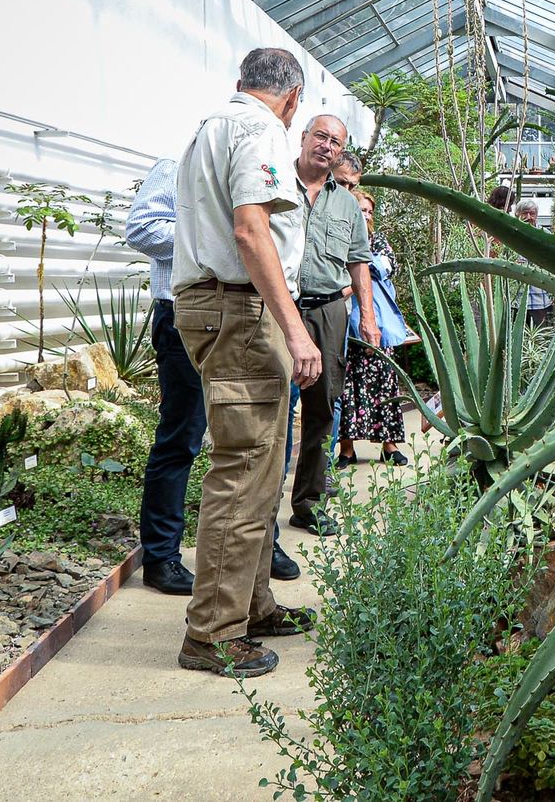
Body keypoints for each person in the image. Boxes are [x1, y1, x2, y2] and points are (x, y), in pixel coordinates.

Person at [170, 48, 321, 679]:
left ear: (243, 84)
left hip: (220, 306)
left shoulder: (210, 127)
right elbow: (251, 231)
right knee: (245, 466)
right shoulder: (259, 129)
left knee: (260, 464)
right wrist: (294, 327)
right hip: (239, 310)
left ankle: (250, 605)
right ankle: (212, 631)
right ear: (292, 101)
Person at [127, 160, 299, 595]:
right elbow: (141, 228)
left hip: (245, 318)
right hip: (185, 316)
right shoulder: (176, 168)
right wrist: (211, 240)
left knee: (249, 442)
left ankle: (261, 548)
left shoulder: (250, 180)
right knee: (181, 437)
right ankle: (162, 555)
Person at [289, 115, 379, 537]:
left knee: (323, 407)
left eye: (335, 142)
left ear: (341, 152)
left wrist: (369, 319)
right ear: (303, 138)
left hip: (328, 311)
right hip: (280, 306)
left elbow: (359, 263)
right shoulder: (274, 183)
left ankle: (308, 503)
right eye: (320, 136)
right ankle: (259, 510)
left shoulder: (345, 203)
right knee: (274, 408)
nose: (326, 145)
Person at [337, 189, 412, 465]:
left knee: (384, 382)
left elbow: (386, 266)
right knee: (347, 385)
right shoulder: (340, 235)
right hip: (346, 323)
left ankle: (389, 445)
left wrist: (357, 266)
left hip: (376, 323)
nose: (365, 215)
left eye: (369, 211)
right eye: (361, 210)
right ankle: (347, 448)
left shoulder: (378, 240)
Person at [515, 200, 555, 327]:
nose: (528, 217)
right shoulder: (511, 235)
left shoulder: (545, 236)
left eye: (532, 213)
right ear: (517, 215)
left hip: (541, 301)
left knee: (541, 340)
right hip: (517, 301)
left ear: (537, 215)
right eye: (524, 213)